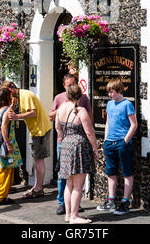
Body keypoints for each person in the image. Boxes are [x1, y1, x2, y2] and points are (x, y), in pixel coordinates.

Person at [49, 73, 93, 215]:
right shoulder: (59, 98)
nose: (72, 86)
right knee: (66, 177)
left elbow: (90, 117)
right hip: (66, 143)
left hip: (69, 141)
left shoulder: (84, 99)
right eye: (69, 84)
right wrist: (65, 108)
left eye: (74, 83)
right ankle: (62, 203)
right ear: (64, 86)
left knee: (72, 180)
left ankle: (73, 207)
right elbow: (51, 116)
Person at [55, 82, 98, 224]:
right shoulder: (81, 110)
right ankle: (74, 216)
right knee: (78, 185)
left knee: (69, 184)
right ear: (79, 95)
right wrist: (95, 148)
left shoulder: (61, 108)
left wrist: (65, 138)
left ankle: (68, 215)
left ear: (67, 95)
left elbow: (58, 128)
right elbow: (89, 132)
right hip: (79, 146)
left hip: (66, 145)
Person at [96, 79, 137, 215]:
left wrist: (125, 141)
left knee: (127, 172)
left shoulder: (127, 104)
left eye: (112, 92)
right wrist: (106, 138)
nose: (110, 95)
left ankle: (125, 202)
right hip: (110, 142)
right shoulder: (109, 104)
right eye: (109, 92)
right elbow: (107, 122)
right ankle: (111, 201)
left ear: (119, 90)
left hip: (122, 142)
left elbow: (134, 125)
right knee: (110, 172)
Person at [8, 84, 52, 198]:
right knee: (37, 158)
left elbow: (33, 112)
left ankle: (38, 188)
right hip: (37, 130)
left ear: (11, 89)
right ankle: (38, 187)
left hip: (40, 130)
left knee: (38, 159)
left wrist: (17, 116)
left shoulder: (25, 95)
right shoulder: (20, 96)